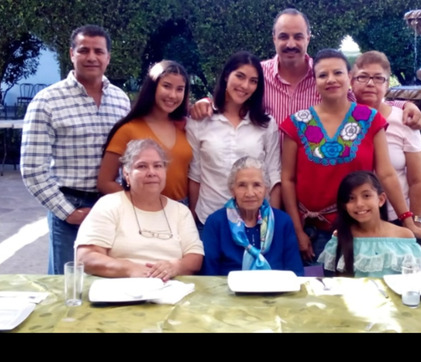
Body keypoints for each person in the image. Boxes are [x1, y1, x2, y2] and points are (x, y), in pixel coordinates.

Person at [280, 48, 421, 265]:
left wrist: (408, 221)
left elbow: (386, 173)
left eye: (338, 72)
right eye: (323, 75)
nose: (331, 79)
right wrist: (297, 231)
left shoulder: (370, 120)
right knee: (314, 286)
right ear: (315, 82)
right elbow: (288, 180)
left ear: (349, 78)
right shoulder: (297, 123)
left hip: (362, 229)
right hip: (312, 233)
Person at [190, 8, 421, 130]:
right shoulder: (258, 75)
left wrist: (404, 105)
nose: (291, 43)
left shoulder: (325, 78)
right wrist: (207, 102)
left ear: (308, 39)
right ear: (274, 39)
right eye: (284, 36)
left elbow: (363, 102)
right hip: (263, 180)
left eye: (298, 36)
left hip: (311, 178)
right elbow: (234, 96)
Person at [20, 24, 131, 275]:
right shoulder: (47, 101)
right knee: (68, 282)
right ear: (72, 54)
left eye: (98, 51)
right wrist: (68, 213)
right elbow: (32, 169)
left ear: (108, 57)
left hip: (112, 205)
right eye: (84, 50)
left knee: (109, 278)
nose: (92, 57)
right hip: (70, 204)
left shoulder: (120, 100)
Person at [76, 139, 204, 279]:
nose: (151, 172)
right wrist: (129, 269)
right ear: (126, 173)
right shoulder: (109, 205)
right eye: (142, 166)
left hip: (171, 286)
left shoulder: (181, 211)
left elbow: (195, 257)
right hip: (122, 286)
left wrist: (175, 267)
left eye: (158, 166)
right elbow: (85, 257)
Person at [186, 51, 281, 233]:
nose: (245, 86)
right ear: (226, 76)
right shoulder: (200, 121)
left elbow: (273, 174)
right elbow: (195, 175)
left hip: (256, 221)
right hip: (209, 219)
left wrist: (272, 222)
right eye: (240, 76)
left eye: (253, 81)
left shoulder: (267, 124)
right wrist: (191, 219)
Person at [351, 50, 421, 227]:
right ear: (351, 82)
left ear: (387, 85)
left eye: (379, 78)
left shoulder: (404, 120)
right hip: (353, 216)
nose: (370, 83)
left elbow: (418, 180)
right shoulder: (342, 120)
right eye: (363, 77)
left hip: (396, 217)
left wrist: (416, 223)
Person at [97, 60, 192, 204]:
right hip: (141, 208)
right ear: (152, 87)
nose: (173, 95)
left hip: (182, 208)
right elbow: (105, 182)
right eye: (166, 86)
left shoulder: (185, 127)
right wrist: (139, 203)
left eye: (180, 89)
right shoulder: (128, 129)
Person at [201, 156, 304, 276]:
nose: (249, 193)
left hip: (275, 287)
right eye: (242, 185)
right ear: (232, 190)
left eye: (256, 185)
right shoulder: (216, 222)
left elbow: (295, 273)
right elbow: (208, 275)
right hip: (229, 287)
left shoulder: (282, 222)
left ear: (266, 189)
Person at [317, 171, 421, 277]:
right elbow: (335, 282)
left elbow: (414, 281)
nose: (359, 204)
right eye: (351, 198)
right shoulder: (341, 236)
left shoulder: (403, 236)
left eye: (366, 196)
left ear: (381, 200)